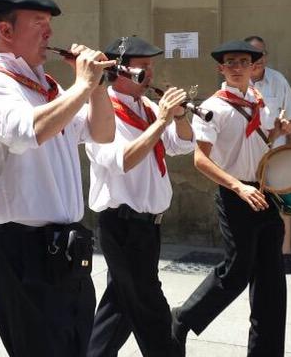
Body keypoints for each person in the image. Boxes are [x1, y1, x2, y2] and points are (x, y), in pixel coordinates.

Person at [0, 0, 116, 357]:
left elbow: (102, 133)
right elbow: (25, 131)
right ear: (5, 31)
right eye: (39, 22)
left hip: (66, 246)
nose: (50, 33)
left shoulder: (48, 87)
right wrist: (83, 85)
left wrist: (98, 89)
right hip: (19, 246)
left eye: (49, 23)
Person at [172, 40, 291, 356]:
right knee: (237, 271)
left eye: (243, 61)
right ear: (221, 68)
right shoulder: (214, 107)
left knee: (272, 281)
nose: (237, 67)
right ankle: (182, 320)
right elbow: (200, 160)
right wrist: (239, 188)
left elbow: (257, 144)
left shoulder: (258, 100)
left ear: (254, 67)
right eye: (231, 62)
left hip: (264, 192)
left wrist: (277, 131)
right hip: (234, 193)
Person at [85, 36, 195, 357]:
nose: (150, 74)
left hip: (148, 227)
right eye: (143, 67)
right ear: (120, 70)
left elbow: (182, 145)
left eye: (151, 66)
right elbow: (123, 159)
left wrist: (178, 117)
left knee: (118, 310)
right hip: (121, 224)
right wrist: (161, 122)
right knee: (151, 310)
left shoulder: (146, 106)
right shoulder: (104, 110)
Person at [245, 35, 291, 274]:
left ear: (265, 57)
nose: (257, 61)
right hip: (248, 155)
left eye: (260, 55)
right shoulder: (236, 82)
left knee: (282, 202)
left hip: (276, 152)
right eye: (252, 57)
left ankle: (285, 251)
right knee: (251, 203)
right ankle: (252, 253)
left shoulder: (277, 80)